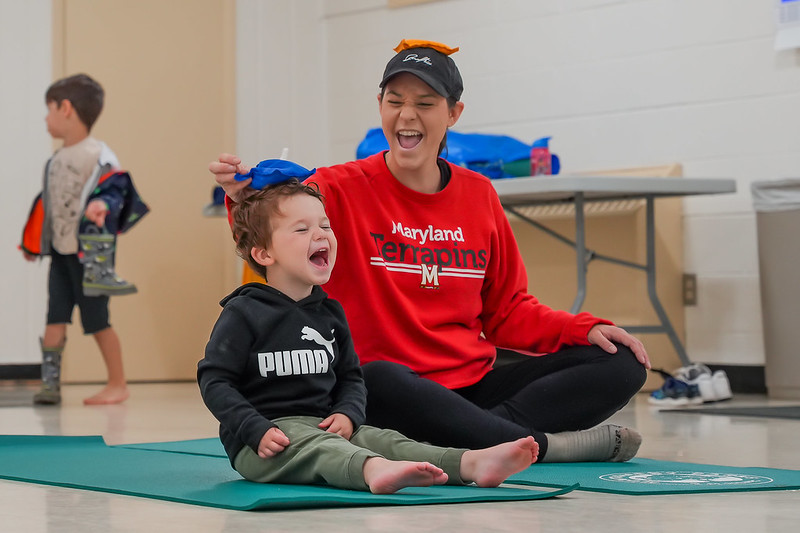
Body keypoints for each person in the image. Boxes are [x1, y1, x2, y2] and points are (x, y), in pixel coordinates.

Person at [209, 39, 650, 463]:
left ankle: (480, 437)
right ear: (379, 105)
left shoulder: (478, 193)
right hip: (385, 392)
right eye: (395, 100)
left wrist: (583, 328)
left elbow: (508, 311)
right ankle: (534, 446)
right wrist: (238, 196)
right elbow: (270, 237)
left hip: (471, 383)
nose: (407, 115)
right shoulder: (336, 187)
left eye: (424, 103)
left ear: (453, 113)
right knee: (376, 376)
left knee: (621, 363)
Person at [197, 172, 539, 494]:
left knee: (387, 440)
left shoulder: (330, 313)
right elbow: (215, 381)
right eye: (301, 230)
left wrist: (348, 413)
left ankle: (470, 463)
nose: (320, 234)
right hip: (262, 441)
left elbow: (351, 377)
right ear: (264, 253)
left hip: (321, 424)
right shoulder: (244, 313)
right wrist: (253, 428)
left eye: (325, 225)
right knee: (321, 448)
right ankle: (373, 470)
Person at [20, 73, 149, 406]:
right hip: (61, 254)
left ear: (65, 108)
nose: (46, 119)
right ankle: (50, 385)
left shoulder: (98, 154)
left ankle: (118, 383)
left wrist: (100, 204)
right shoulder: (56, 160)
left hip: (90, 257)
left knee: (97, 320)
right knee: (54, 316)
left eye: (49, 110)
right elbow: (47, 204)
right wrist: (34, 242)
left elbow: (116, 189)